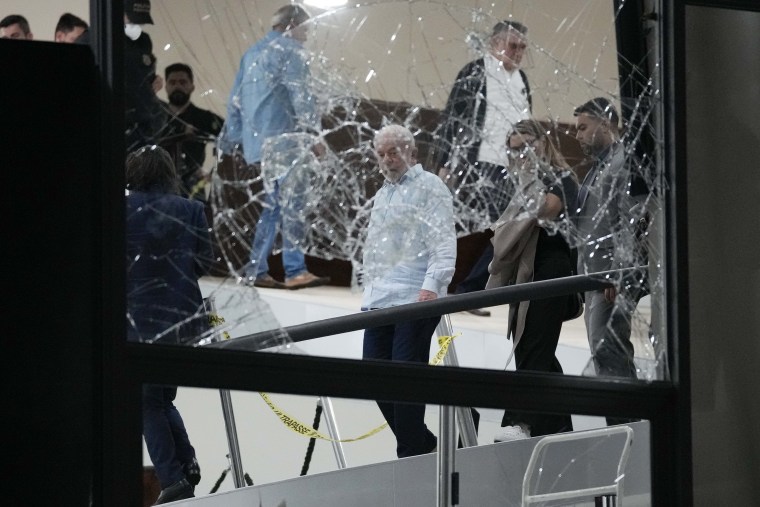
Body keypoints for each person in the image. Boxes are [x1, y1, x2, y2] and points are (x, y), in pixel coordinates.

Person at [361, 125, 456, 458]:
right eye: (382, 153)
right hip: (377, 300)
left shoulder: (431, 186)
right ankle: (424, 442)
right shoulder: (382, 194)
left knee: (404, 375)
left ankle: (411, 451)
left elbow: (444, 242)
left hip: (414, 296)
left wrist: (432, 287)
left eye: (394, 152)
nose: (388, 160)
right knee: (373, 378)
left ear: (411, 153)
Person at [221, 4, 329, 290]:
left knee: (273, 205)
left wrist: (232, 140)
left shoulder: (252, 53)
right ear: (292, 24)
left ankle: (257, 268)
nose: (308, 33)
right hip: (286, 139)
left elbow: (235, 99)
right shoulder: (289, 51)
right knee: (293, 203)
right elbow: (301, 95)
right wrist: (314, 134)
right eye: (306, 27)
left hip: (258, 142)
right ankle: (295, 269)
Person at [125, 145, 211, 504]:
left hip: (138, 322)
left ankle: (172, 477)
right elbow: (204, 262)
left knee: (147, 402)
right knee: (161, 397)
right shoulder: (192, 209)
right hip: (183, 322)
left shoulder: (121, 208)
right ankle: (186, 464)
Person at [486, 119, 578, 441]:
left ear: (542, 143)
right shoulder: (518, 184)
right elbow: (503, 227)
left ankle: (520, 421)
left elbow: (543, 211)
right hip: (526, 273)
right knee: (535, 350)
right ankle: (559, 425)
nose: (521, 155)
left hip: (551, 269)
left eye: (527, 146)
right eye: (514, 150)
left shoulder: (562, 178)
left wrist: (515, 216)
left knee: (535, 348)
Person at [434, 20, 532, 317]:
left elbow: (528, 124)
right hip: (473, 163)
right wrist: (443, 162)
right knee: (456, 228)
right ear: (494, 44)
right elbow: (452, 117)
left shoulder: (522, 79)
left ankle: (469, 292)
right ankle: (437, 285)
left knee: (506, 231)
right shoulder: (475, 72)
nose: (518, 52)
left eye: (522, 48)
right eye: (512, 45)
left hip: (508, 168)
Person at [573, 97, 647, 392]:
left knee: (608, 350)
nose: (577, 135)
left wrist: (619, 272)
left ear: (605, 124)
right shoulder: (598, 167)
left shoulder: (623, 162)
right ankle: (627, 423)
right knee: (602, 350)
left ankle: (630, 423)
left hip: (610, 276)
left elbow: (632, 221)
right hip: (594, 274)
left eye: (582, 127)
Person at [157, 63, 224, 200]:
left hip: (193, 190)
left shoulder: (204, 118)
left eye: (183, 82)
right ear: (166, 86)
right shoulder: (155, 117)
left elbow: (230, 140)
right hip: (158, 189)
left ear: (192, 86)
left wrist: (214, 173)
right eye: (173, 82)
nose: (177, 86)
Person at [124, 0, 162, 152]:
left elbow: (144, 70)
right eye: (133, 20)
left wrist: (154, 80)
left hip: (144, 118)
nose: (137, 26)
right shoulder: (104, 40)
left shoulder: (144, 41)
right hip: (121, 120)